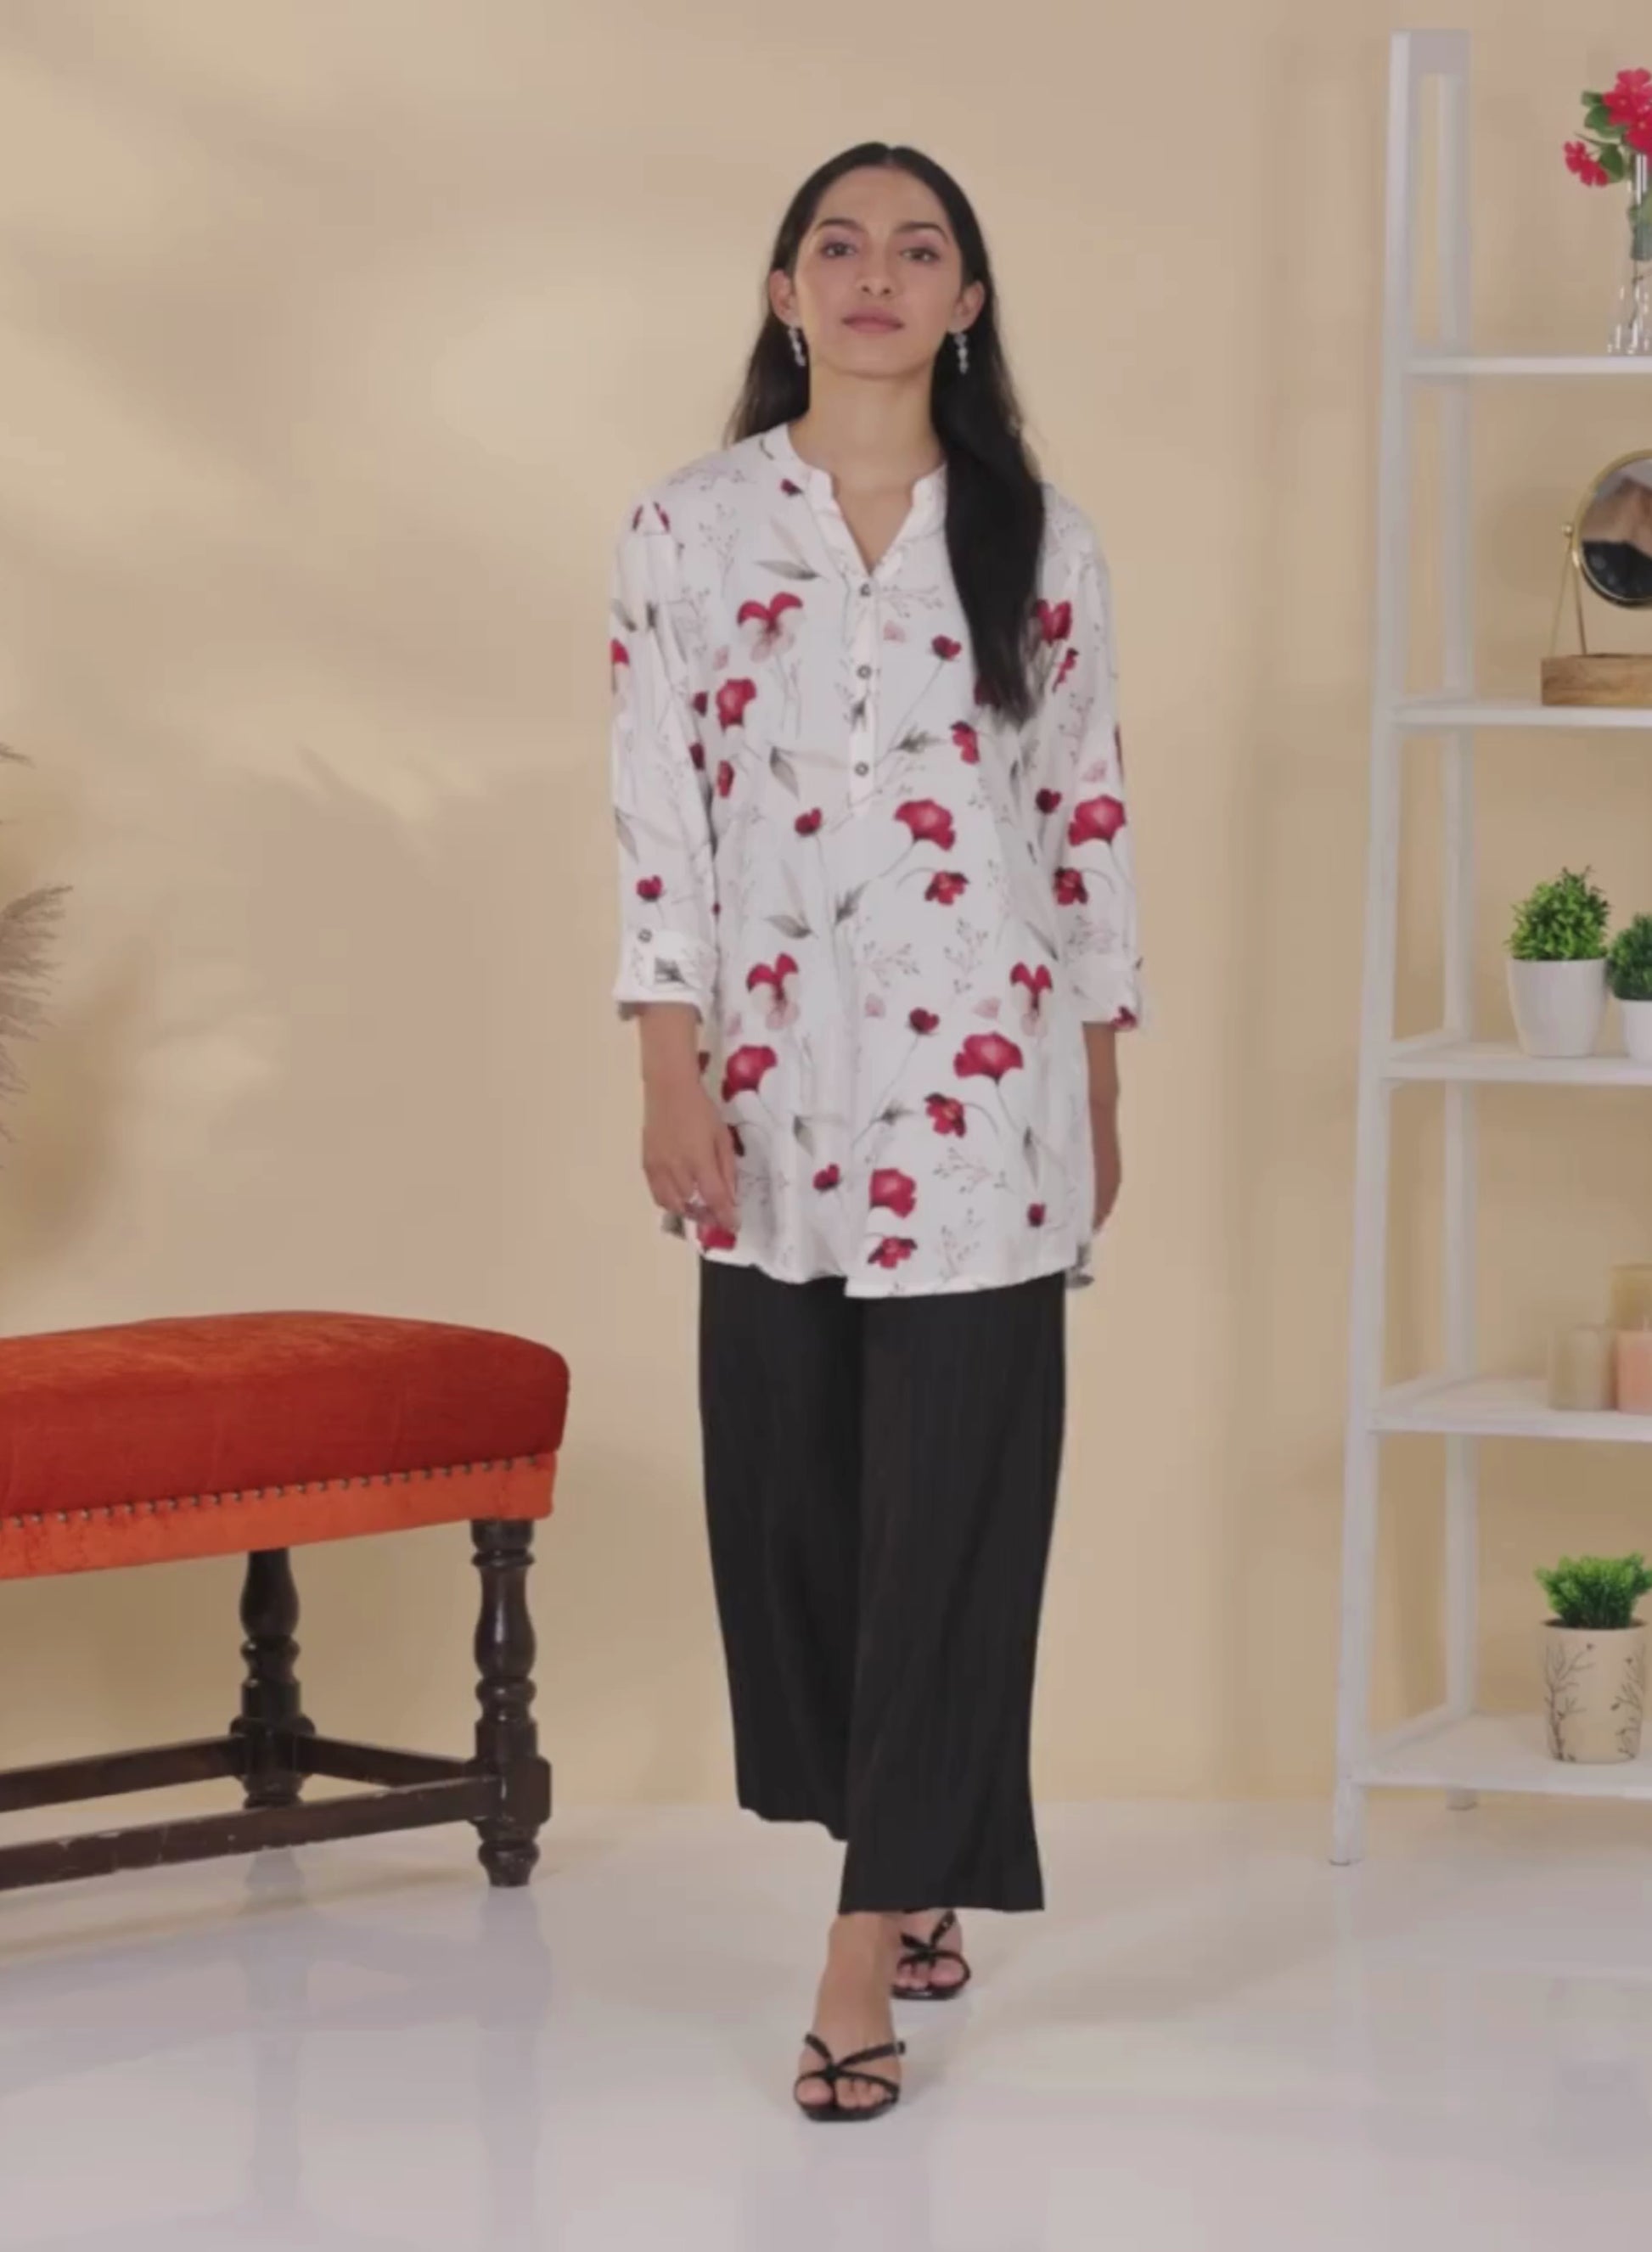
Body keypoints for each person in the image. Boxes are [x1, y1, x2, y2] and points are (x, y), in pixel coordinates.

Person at [606, 140, 1143, 2123]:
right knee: (802, 1516)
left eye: (920, 250)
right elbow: (655, 805)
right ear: (783, 289)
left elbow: (1082, 814)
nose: (875, 275)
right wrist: (664, 1059)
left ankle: (862, 1953)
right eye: (837, 244)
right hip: (770, 1096)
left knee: (956, 1517)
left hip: (987, 1095)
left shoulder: (1038, 539)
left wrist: (1099, 1078)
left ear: (966, 303)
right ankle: (910, 1852)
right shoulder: (684, 531)